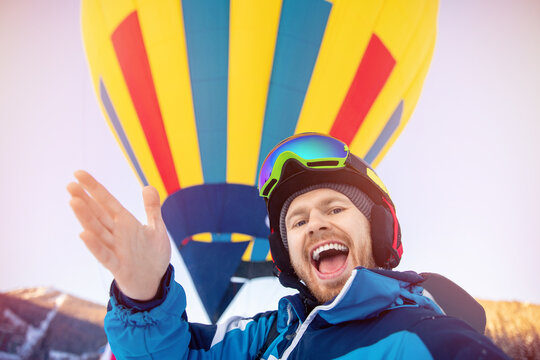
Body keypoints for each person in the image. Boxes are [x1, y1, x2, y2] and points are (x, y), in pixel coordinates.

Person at [68, 133, 508, 359]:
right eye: (297, 221)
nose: (314, 224)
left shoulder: (430, 341)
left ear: (378, 229)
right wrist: (144, 295)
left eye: (335, 209)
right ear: (285, 253)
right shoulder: (264, 337)